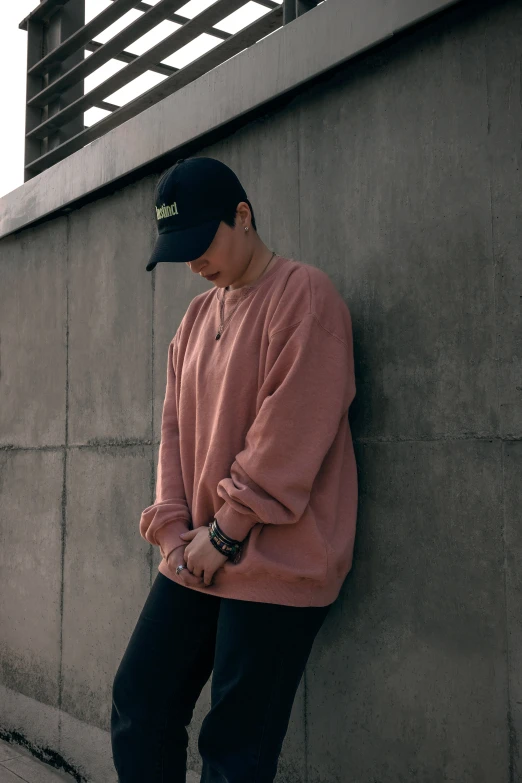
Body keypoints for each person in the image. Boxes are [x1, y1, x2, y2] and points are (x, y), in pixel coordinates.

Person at [110, 156, 358, 782]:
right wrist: (172, 531)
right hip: (196, 555)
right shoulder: (194, 320)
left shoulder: (305, 295)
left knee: (234, 751)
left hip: (278, 559)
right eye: (178, 250)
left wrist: (225, 532)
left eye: (200, 243)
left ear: (242, 216)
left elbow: (292, 432)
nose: (192, 264)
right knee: (139, 700)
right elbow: (172, 433)